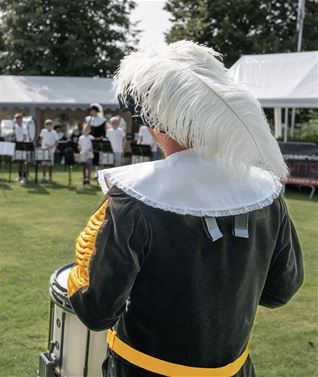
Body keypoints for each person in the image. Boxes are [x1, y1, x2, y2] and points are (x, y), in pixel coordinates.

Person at [67, 41, 302, 377]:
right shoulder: (265, 192)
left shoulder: (134, 198)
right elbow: (282, 289)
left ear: (158, 125)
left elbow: (95, 308)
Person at [13, 113, 29, 183]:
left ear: (21, 119)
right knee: (19, 161)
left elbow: (24, 137)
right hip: (18, 145)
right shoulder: (16, 126)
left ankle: (24, 177)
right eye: (16, 119)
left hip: (24, 145)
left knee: (24, 162)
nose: (17, 120)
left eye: (18, 119)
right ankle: (20, 176)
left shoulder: (24, 127)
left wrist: (20, 143)